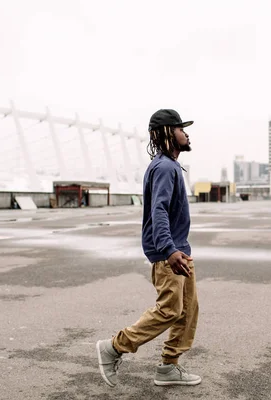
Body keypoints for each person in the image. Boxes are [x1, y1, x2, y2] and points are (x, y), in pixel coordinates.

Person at [96, 109, 201, 387]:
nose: (187, 133)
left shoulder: (168, 166)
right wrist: (168, 250)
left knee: (188, 310)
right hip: (171, 253)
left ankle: (169, 367)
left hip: (179, 250)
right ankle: (114, 347)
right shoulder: (165, 167)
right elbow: (159, 211)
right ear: (168, 132)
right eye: (181, 128)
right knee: (170, 309)